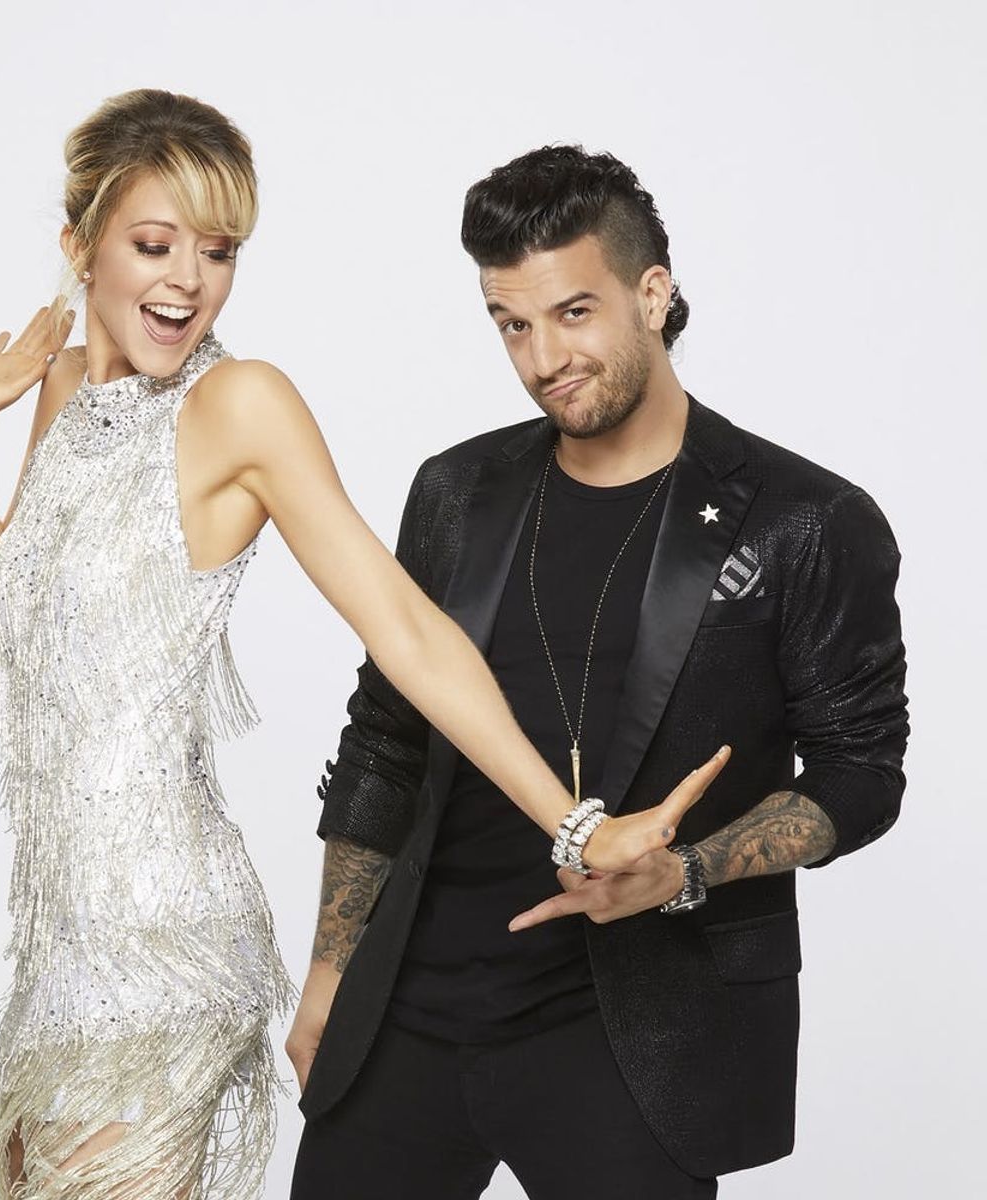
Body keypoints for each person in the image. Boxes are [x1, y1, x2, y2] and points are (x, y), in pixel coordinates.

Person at [0, 95, 712, 1200]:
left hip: (163, 951)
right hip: (57, 955)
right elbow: (1, 634)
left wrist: (572, 824)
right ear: (80, 246)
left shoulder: (239, 405)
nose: (189, 282)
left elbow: (409, 630)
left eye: (219, 252)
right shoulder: (62, 391)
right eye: (155, 245)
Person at [287, 145, 909, 1199]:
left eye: (573, 313)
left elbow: (862, 773)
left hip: (632, 1031)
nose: (543, 359)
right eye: (511, 324)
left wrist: (688, 871)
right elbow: (384, 740)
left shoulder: (805, 521)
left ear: (652, 295)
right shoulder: (456, 493)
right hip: (411, 1008)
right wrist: (328, 976)